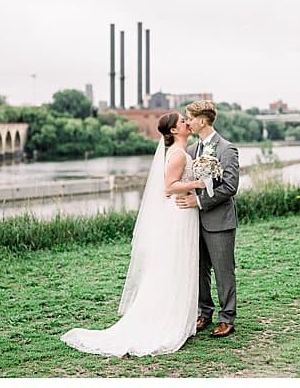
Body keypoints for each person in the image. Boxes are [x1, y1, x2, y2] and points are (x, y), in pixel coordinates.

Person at [62, 112, 203, 356]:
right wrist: (198, 184)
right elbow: (169, 187)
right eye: (182, 121)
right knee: (177, 263)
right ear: (173, 131)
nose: (186, 123)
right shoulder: (178, 154)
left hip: (185, 212)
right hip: (179, 212)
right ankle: (171, 319)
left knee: (182, 263)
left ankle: (182, 317)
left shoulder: (182, 152)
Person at [176, 100, 241, 338]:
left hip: (219, 221)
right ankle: (204, 312)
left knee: (224, 271)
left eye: (190, 118)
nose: (188, 122)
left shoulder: (227, 149)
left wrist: (200, 202)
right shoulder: (191, 151)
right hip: (193, 222)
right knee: (199, 269)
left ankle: (227, 318)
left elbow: (230, 187)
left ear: (202, 121)